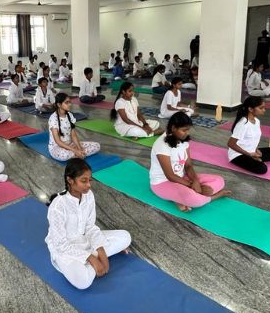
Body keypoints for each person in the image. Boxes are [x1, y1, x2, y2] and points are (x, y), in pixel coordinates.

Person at [45, 158, 131, 290]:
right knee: (83, 282)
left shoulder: (88, 195)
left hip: (85, 239)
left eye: (90, 180)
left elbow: (90, 227)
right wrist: (92, 258)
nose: (89, 185)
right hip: (65, 248)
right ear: (70, 180)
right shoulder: (58, 206)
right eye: (84, 181)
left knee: (126, 237)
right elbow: (60, 244)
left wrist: (101, 252)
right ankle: (90, 261)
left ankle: (92, 261)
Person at [150, 113, 230, 212]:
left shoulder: (183, 141)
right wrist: (192, 186)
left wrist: (195, 181)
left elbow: (188, 165)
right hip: (162, 183)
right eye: (184, 130)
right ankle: (213, 197)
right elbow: (170, 176)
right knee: (194, 199)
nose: (187, 133)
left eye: (188, 130)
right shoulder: (161, 145)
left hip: (181, 178)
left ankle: (180, 197)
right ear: (173, 128)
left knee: (219, 180)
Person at [226, 96, 270, 175]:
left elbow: (254, 139)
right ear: (250, 109)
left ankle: (256, 158)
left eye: (264, 108)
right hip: (238, 155)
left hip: (252, 151)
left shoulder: (257, 121)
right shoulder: (243, 124)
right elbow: (230, 144)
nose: (264, 110)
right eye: (261, 108)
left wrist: (256, 149)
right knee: (262, 169)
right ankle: (255, 159)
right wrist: (249, 154)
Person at [48, 93, 100, 161]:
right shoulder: (53, 119)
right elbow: (58, 141)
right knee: (65, 155)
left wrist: (79, 148)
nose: (70, 104)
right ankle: (79, 154)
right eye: (66, 102)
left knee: (97, 146)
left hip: (70, 145)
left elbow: (74, 136)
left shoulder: (70, 115)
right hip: (57, 148)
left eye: (70, 102)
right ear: (59, 105)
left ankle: (79, 154)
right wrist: (75, 150)